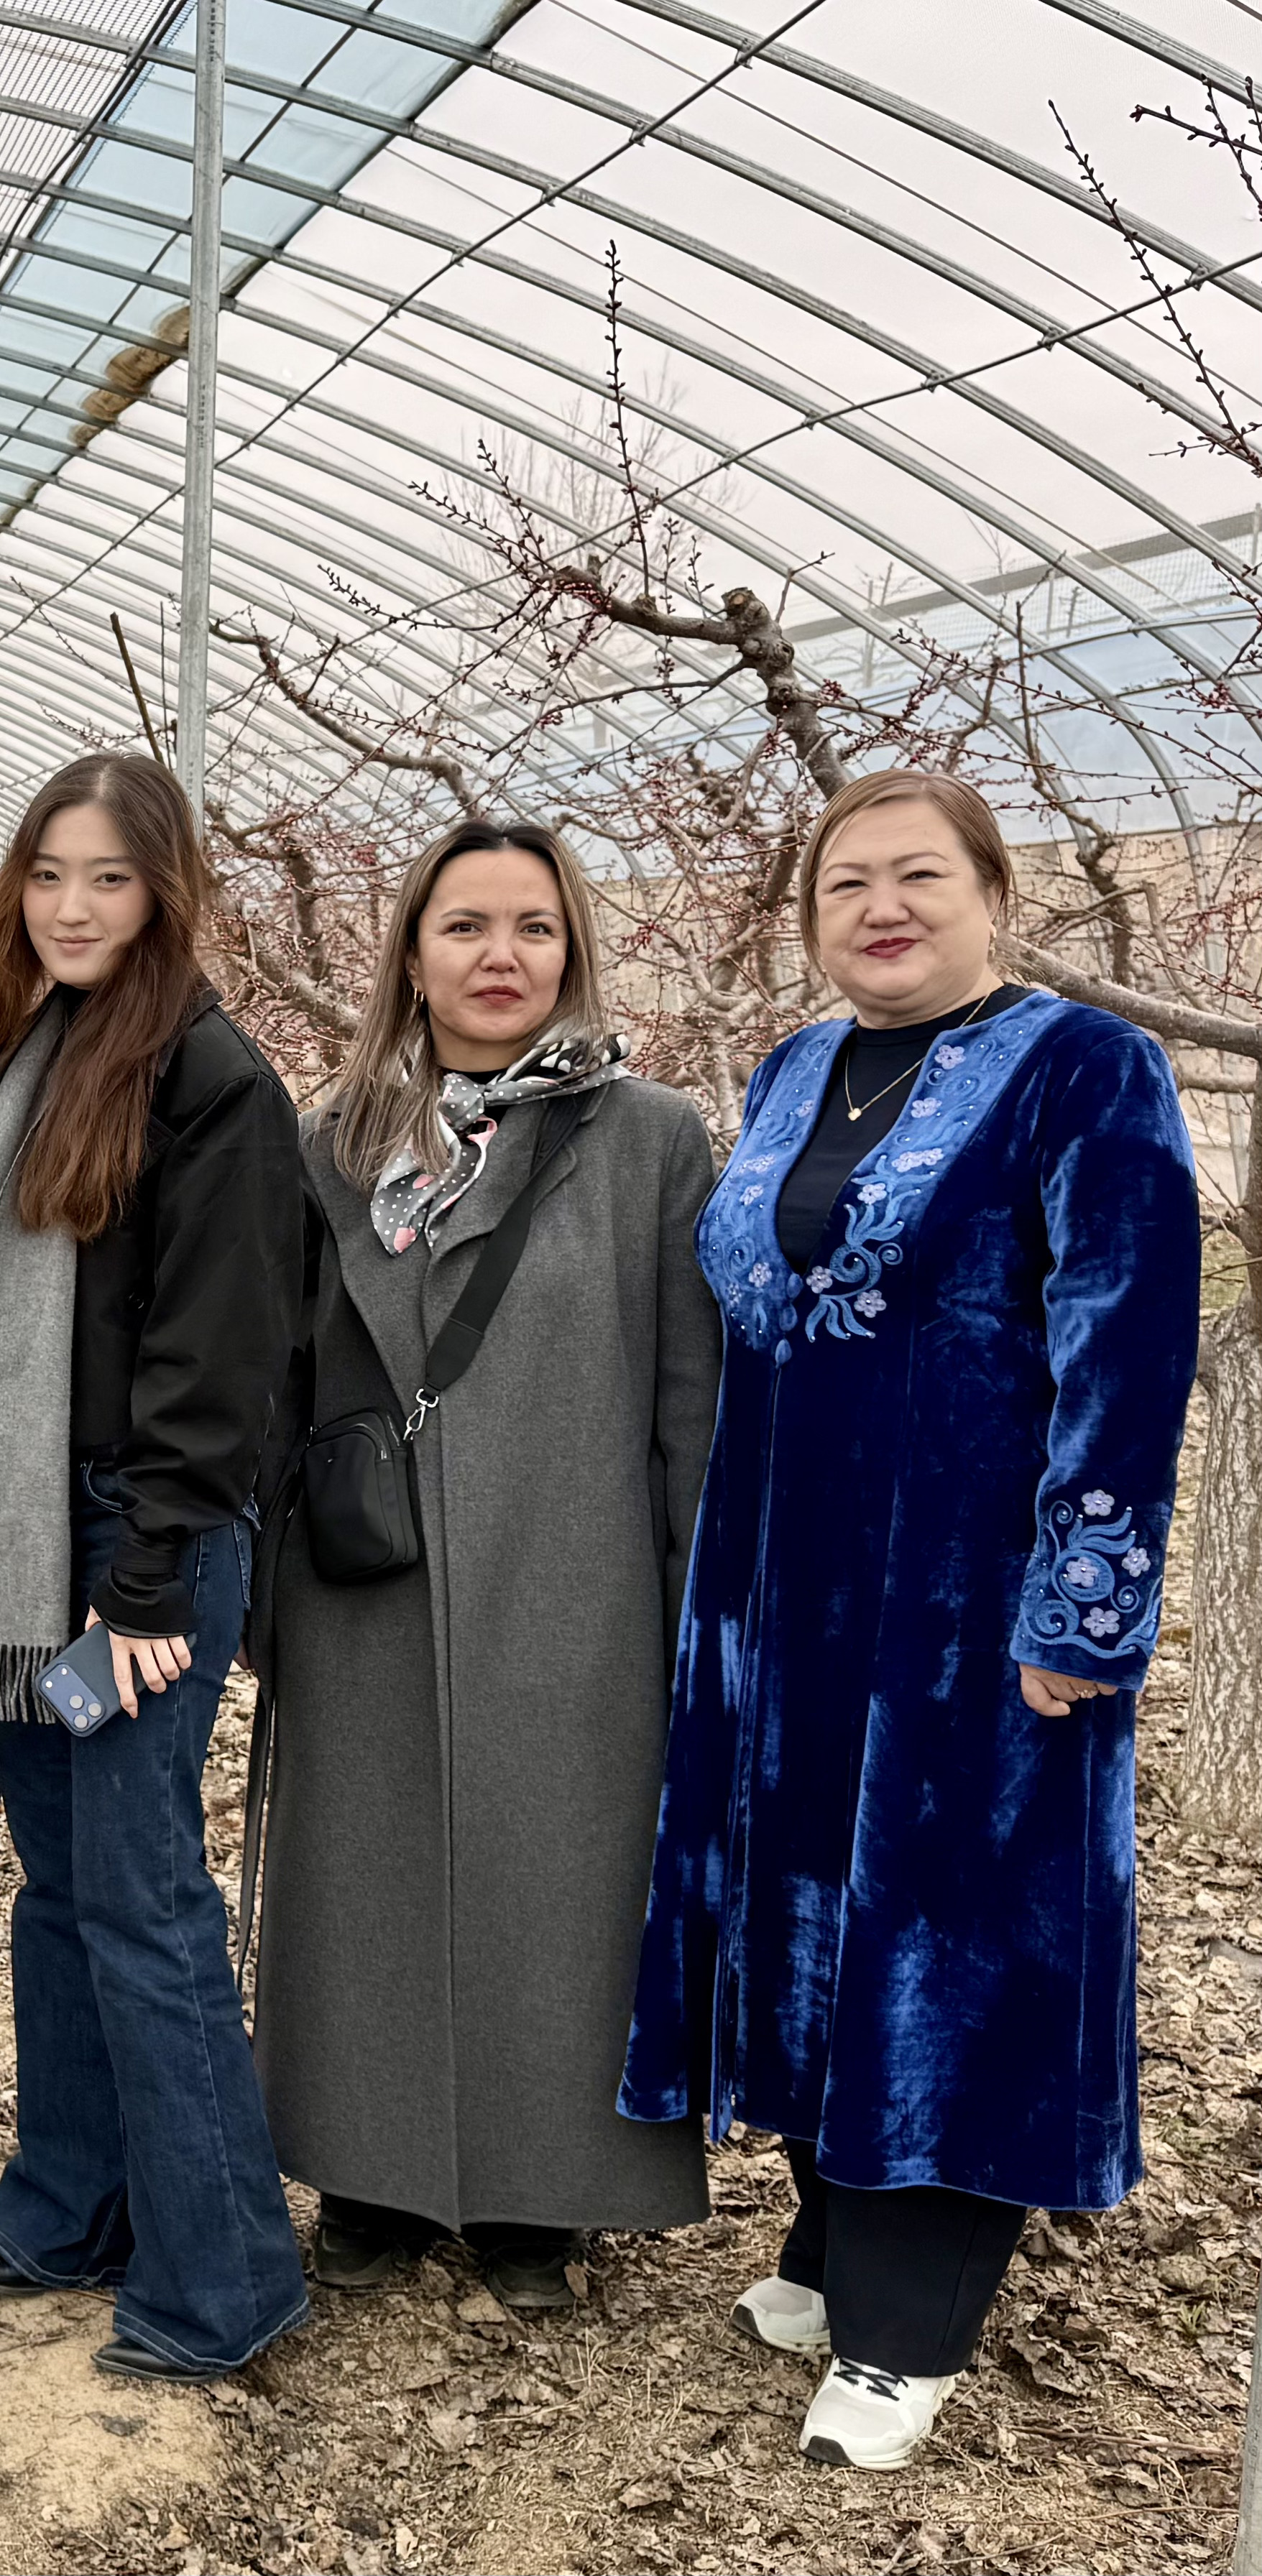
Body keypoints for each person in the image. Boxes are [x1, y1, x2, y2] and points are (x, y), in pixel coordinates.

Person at [622, 770, 1199, 2471]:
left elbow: (1126, 1345)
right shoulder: (791, 1068)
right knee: (806, 1909)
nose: (878, 907)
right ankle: (826, 2236)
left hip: (965, 1602)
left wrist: (1079, 1609)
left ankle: (907, 2322)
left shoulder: (1086, 1068)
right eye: (843, 882)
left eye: (917, 875)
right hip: (778, 1591)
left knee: (949, 1931)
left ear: (991, 893)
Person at [251, 821, 717, 2312]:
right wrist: (265, 1587)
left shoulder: (647, 1136)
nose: (498, 956)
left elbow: (688, 1393)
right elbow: (274, 1373)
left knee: (562, 1883)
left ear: (572, 947)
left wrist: (689, 1605)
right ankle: (369, 2173)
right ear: (410, 952)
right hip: (365, 1576)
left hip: (575, 1579)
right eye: (463, 926)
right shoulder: (332, 1142)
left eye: (531, 926)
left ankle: (538, 2193)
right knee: (361, 1873)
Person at [0, 752, 308, 2381]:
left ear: (165, 891)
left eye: (110, 878)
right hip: (30, 1535)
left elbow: (220, 1350)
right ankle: (73, 2199)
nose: (71, 907)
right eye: (47, 874)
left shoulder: (208, 1076)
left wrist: (141, 1578)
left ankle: (226, 2273)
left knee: (140, 1893)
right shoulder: (27, 1047)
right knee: (64, 1882)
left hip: (138, 1545)